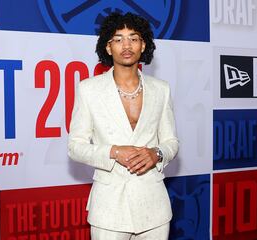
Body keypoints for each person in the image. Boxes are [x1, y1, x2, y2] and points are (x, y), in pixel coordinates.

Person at [68, 12, 178, 240]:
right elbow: (75, 147)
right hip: (109, 208)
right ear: (108, 48)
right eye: (118, 39)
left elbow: (171, 142)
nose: (126, 45)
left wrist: (156, 153)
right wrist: (114, 152)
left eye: (133, 38)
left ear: (143, 44)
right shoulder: (88, 89)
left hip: (154, 206)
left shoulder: (161, 89)